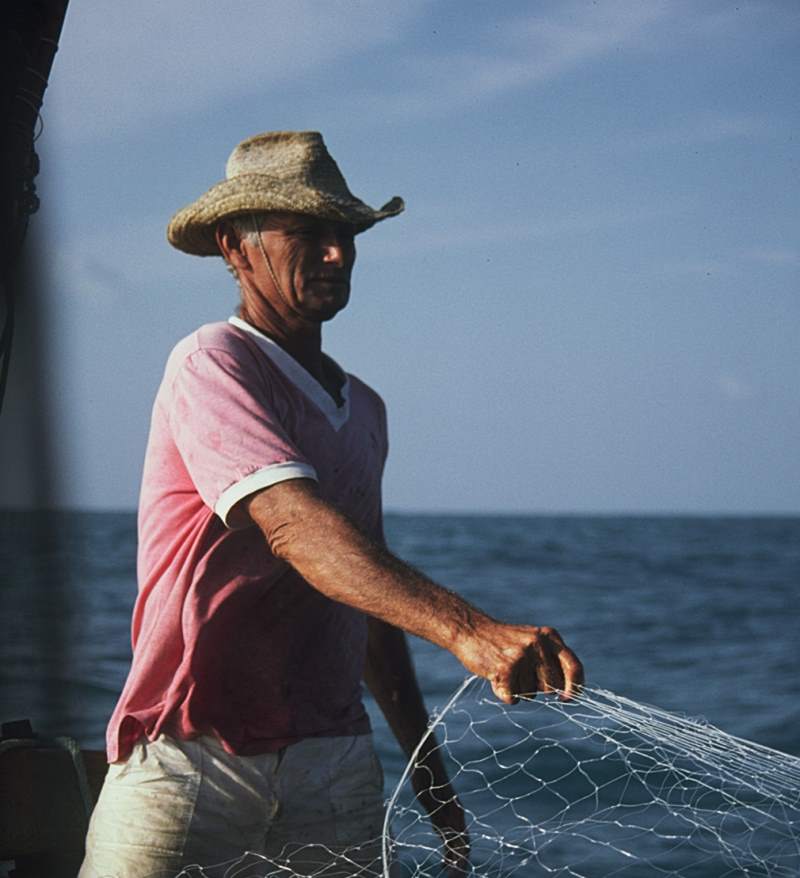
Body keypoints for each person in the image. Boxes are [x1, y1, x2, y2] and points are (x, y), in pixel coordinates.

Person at [79, 130, 584, 878]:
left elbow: (365, 593)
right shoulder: (212, 362)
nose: (338, 255)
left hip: (335, 767)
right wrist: (472, 633)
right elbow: (293, 525)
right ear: (235, 246)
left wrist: (432, 780)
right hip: (191, 760)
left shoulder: (367, 409)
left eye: (346, 235)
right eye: (308, 234)